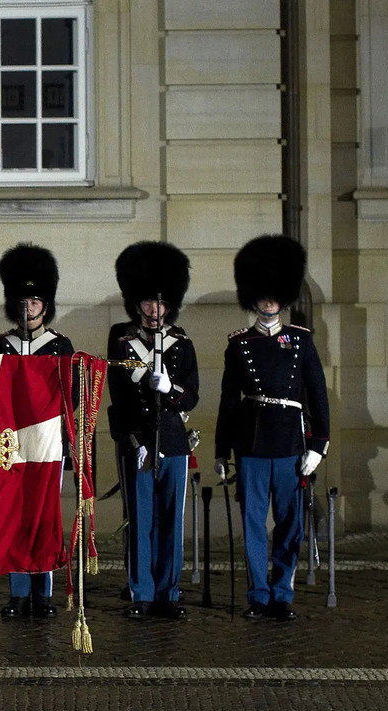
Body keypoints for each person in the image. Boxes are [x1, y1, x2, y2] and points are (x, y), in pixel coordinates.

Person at [215, 234, 329, 621]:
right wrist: (221, 450)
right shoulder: (239, 344)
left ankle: (282, 592)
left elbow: (317, 395)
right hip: (251, 441)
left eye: (274, 294)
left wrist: (319, 444)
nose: (268, 301)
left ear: (283, 297)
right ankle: (258, 594)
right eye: (262, 294)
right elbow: (229, 401)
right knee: (252, 525)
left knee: (289, 524)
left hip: (290, 443)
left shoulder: (300, 341)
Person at [107, 241, 198, 620]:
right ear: (136, 303)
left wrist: (169, 390)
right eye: (146, 302)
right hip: (138, 442)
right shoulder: (121, 337)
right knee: (140, 520)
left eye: (159, 303)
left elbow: (191, 395)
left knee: (170, 521)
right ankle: (141, 592)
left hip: (174, 441)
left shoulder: (181, 342)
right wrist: (136, 439)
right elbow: (117, 392)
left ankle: (168, 591)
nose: (153, 309)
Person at [0, 242, 73, 619]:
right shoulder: (0, 345)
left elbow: (71, 400)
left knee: (45, 518)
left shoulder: (59, 346)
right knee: (12, 517)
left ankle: (43, 590)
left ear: (45, 304)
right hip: (10, 444)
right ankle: (18, 591)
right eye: (23, 302)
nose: (29, 307)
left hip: (47, 444)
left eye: (35, 301)